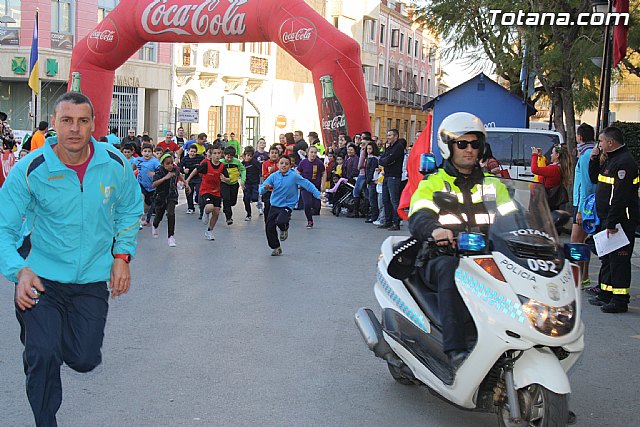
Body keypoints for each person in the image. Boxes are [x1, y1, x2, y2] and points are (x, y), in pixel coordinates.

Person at [0, 92, 142, 426]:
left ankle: (45, 338)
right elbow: (3, 227)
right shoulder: (30, 169)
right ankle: (44, 405)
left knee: (84, 359)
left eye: (82, 121)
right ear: (54, 125)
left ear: (94, 124)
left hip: (91, 280)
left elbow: (130, 208)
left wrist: (122, 255)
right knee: (43, 354)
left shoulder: (115, 164)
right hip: (41, 279)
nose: (75, 129)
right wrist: (18, 271)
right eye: (67, 121)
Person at [407, 112, 509, 370]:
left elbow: (513, 217)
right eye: (462, 144)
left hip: (486, 255)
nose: (470, 150)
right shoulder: (434, 183)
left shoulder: (493, 185)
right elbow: (418, 215)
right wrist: (435, 230)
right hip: (442, 255)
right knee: (451, 271)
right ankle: (455, 350)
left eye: (475, 144)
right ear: (448, 146)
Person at [587, 126, 639, 313]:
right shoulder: (612, 160)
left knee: (619, 260)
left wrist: (612, 222)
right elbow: (595, 179)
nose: (599, 144)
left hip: (620, 220)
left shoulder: (624, 163)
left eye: (601, 141)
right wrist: (593, 159)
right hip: (607, 217)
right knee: (608, 258)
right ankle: (606, 293)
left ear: (610, 142)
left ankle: (619, 299)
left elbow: (620, 197)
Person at [259, 155, 321, 256]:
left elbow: (307, 184)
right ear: (278, 165)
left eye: (286, 164)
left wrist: (317, 194)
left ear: (290, 166)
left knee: (281, 221)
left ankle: (284, 228)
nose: (284, 165)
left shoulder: (294, 176)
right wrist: (264, 188)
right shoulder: (274, 176)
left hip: (287, 205)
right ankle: (276, 247)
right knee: (269, 227)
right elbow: (262, 188)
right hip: (274, 204)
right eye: (282, 163)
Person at [572, 123, 597, 289]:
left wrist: (581, 210)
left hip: (584, 205)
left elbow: (586, 185)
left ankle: (578, 279)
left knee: (576, 242)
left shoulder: (586, 155)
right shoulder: (589, 152)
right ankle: (584, 277)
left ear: (580, 137)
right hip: (585, 203)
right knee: (583, 243)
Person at [186, 145, 226, 241]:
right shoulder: (206, 164)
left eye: (218, 153)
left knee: (216, 212)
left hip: (216, 191)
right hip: (205, 190)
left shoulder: (222, 166)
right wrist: (187, 180)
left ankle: (209, 231)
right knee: (210, 207)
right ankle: (205, 212)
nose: (217, 155)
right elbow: (196, 170)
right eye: (215, 153)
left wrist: (225, 179)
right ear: (211, 155)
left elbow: (227, 179)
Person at [152, 153, 189, 247]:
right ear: (163, 164)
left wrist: (186, 183)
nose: (170, 165)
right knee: (159, 215)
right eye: (167, 163)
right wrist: (165, 178)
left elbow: (179, 175)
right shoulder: (159, 172)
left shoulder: (175, 170)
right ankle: (155, 225)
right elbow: (154, 184)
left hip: (171, 195)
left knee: (171, 214)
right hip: (160, 196)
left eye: (171, 163)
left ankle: (171, 237)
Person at [378, 129, 405, 230]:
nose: (388, 137)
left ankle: (396, 222)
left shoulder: (398, 147)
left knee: (394, 200)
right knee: (386, 200)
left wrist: (385, 161)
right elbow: (383, 159)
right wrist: (385, 160)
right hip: (387, 175)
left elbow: (389, 159)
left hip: (394, 176)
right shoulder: (389, 147)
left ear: (396, 136)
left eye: (390, 135)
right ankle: (387, 221)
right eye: (387, 135)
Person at [531, 144, 570, 211]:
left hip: (547, 203)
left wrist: (534, 155)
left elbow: (534, 169)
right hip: (552, 202)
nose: (550, 155)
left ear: (557, 155)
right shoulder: (559, 167)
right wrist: (541, 157)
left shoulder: (554, 169)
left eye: (552, 153)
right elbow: (547, 168)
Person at [296, 146, 325, 228]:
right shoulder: (303, 162)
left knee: (316, 205)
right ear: (308, 153)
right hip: (305, 187)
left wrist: (323, 184)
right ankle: (309, 220)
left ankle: (314, 210)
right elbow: (298, 171)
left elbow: (324, 172)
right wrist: (299, 182)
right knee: (307, 203)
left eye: (315, 153)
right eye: (311, 152)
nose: (313, 154)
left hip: (315, 186)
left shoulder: (319, 163)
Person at [134, 143, 161, 227]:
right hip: (140, 183)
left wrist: (154, 174)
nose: (147, 153)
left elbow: (160, 172)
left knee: (147, 205)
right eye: (145, 151)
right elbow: (132, 167)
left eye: (149, 151)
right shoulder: (138, 160)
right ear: (141, 152)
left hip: (152, 186)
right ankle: (138, 220)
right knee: (141, 198)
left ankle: (144, 215)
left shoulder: (155, 162)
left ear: (152, 153)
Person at [220, 146, 246, 225]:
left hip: (234, 184)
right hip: (224, 183)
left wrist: (242, 180)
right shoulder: (221, 162)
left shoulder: (237, 162)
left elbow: (243, 170)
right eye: (227, 157)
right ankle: (229, 217)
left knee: (232, 202)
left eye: (231, 157)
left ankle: (226, 207)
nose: (229, 159)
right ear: (224, 155)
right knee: (226, 199)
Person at [179, 144, 205, 216]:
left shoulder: (200, 158)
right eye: (191, 151)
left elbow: (205, 163)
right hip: (188, 178)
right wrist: (184, 170)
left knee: (199, 190)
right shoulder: (185, 158)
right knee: (188, 192)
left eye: (194, 152)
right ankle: (190, 208)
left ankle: (198, 201)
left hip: (198, 177)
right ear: (188, 151)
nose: (192, 153)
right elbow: (179, 167)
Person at [241, 146, 261, 221]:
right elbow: (239, 172)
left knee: (254, 198)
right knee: (246, 199)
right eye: (247, 155)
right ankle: (248, 214)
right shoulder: (242, 164)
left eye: (250, 156)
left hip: (255, 182)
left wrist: (261, 177)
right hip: (247, 183)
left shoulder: (255, 162)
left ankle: (257, 200)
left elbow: (260, 169)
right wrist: (242, 182)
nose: (248, 157)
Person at [261, 146, 280, 221]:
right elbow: (264, 176)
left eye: (276, 153)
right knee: (267, 206)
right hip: (268, 189)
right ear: (269, 154)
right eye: (272, 153)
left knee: (277, 206)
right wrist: (270, 172)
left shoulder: (280, 163)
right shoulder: (265, 164)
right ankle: (267, 222)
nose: (274, 154)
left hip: (278, 190)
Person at [364, 141, 380, 223]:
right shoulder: (370, 158)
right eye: (367, 149)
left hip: (372, 180)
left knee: (372, 199)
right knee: (372, 198)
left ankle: (374, 216)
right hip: (371, 180)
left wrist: (367, 180)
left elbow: (371, 170)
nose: (368, 151)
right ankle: (373, 215)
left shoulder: (373, 159)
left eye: (370, 149)